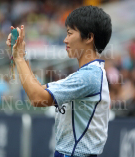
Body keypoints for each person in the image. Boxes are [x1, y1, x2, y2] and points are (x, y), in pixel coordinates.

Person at [6, 5, 112, 157]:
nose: (65, 39)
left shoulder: (89, 76)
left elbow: (37, 98)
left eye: (69, 33)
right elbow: (37, 90)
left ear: (89, 37)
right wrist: (22, 54)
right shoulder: (86, 74)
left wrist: (18, 57)